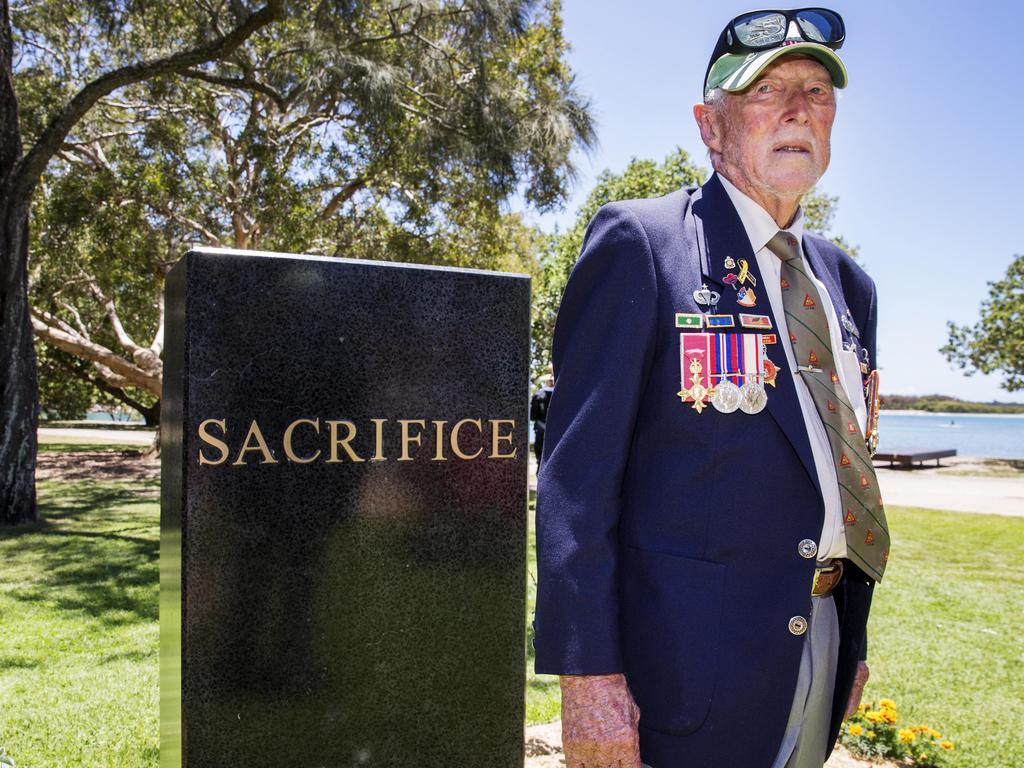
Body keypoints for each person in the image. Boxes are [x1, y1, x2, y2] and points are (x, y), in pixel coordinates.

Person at [533, 9, 889, 768]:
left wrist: (847, 638)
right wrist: (588, 676)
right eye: (767, 89)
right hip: (684, 671)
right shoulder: (645, 246)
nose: (799, 108)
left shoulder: (846, 284)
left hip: (818, 638)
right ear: (711, 124)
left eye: (818, 91)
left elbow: (843, 471)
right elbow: (577, 485)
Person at [530, 368, 555, 470]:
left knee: (540, 456)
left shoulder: (538, 395)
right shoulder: (560, 395)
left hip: (541, 429)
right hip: (556, 430)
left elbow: (533, 416)